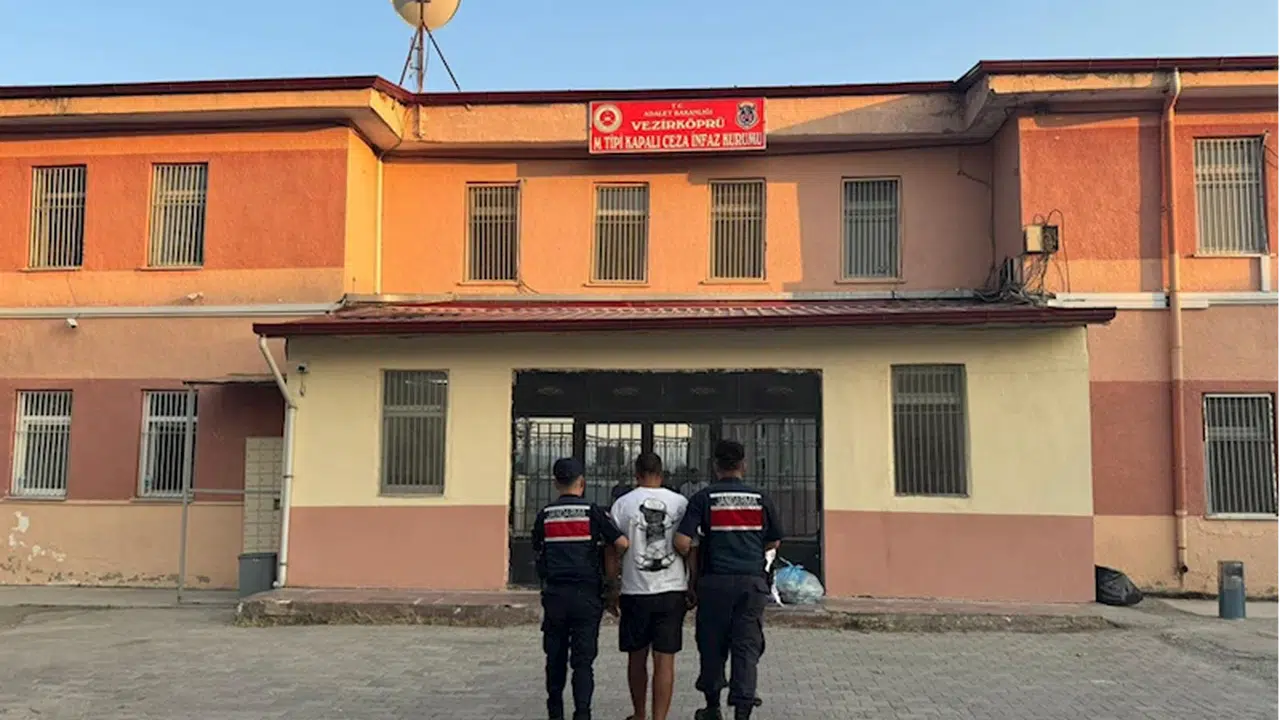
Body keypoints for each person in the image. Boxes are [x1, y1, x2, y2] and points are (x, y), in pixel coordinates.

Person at [674, 439, 783, 720]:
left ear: (716, 466)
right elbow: (773, 541)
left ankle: (712, 707)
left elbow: (683, 541)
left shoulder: (703, 498)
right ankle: (743, 710)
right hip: (751, 584)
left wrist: (692, 573)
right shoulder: (761, 499)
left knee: (711, 644)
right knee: (746, 645)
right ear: (743, 465)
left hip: (714, 584)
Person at [532, 457, 629, 720]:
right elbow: (621, 543)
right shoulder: (592, 512)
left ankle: (555, 712)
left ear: (555, 483)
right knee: (583, 662)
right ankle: (583, 713)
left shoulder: (545, 515)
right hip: (586, 596)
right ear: (582, 482)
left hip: (555, 595)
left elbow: (537, 549)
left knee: (555, 658)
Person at [605, 452, 695, 720]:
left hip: (635, 590)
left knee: (636, 658)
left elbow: (612, 550)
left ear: (636, 475)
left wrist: (612, 587)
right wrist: (693, 583)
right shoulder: (680, 503)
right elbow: (692, 548)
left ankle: (639, 714)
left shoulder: (622, 505)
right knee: (665, 660)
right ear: (662, 474)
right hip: (672, 590)